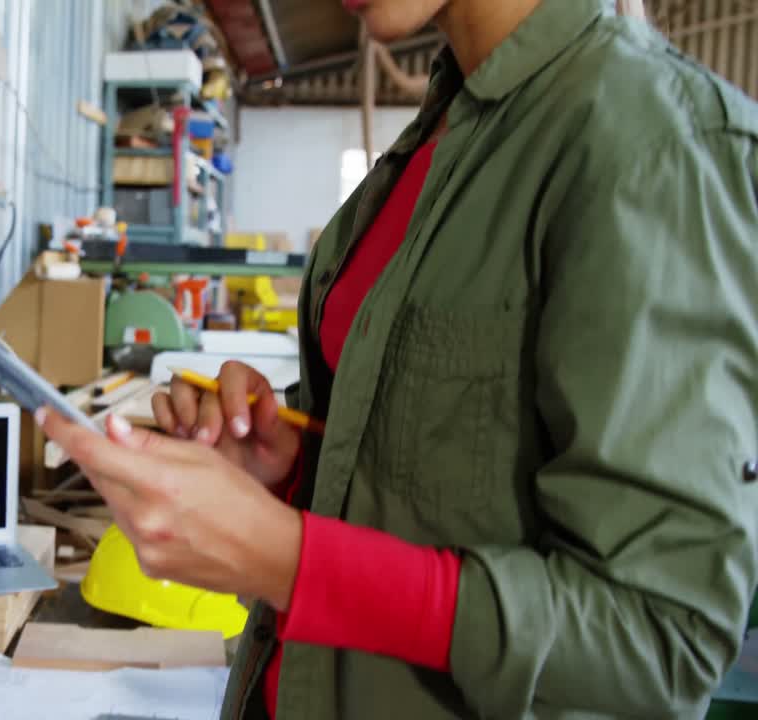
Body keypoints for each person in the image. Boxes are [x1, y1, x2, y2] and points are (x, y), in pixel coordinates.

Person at [39, 0, 758, 717]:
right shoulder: (441, 135)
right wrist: (291, 475)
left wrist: (289, 560)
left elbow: (661, 638)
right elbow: (445, 493)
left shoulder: (653, 142)